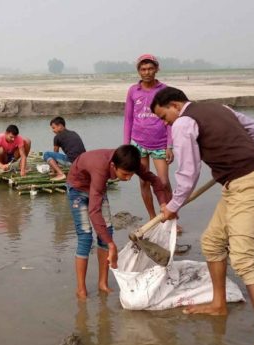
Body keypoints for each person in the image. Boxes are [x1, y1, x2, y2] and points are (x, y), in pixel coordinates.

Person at [151, 86, 254, 345]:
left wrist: (173, 206)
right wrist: (237, 154)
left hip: (248, 184)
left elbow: (188, 171)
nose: (165, 123)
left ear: (173, 105)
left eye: (164, 117)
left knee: (244, 259)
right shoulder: (220, 108)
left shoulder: (183, 122)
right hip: (239, 181)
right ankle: (218, 304)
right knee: (212, 242)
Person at [66, 145, 169, 300]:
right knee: (85, 237)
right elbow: (94, 211)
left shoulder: (130, 161)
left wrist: (163, 203)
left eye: (131, 175)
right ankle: (81, 289)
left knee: (107, 233)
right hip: (78, 188)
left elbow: (154, 180)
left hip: (97, 189)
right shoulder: (101, 169)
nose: (128, 179)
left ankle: (103, 284)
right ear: (113, 166)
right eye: (125, 174)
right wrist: (111, 244)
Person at [123, 54, 174, 223]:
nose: (147, 72)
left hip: (159, 143)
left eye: (150, 68)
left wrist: (170, 145)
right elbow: (128, 119)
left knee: (164, 182)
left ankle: (171, 215)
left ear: (157, 69)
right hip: (138, 143)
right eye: (143, 69)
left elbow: (170, 120)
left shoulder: (164, 90)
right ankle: (153, 217)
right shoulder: (133, 90)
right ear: (138, 71)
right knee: (144, 182)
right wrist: (126, 145)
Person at [44, 116, 86, 181]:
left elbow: (55, 152)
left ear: (60, 126)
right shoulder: (73, 133)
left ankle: (60, 174)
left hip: (72, 162)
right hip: (83, 162)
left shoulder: (57, 137)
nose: (53, 130)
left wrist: (53, 170)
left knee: (46, 154)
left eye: (54, 128)